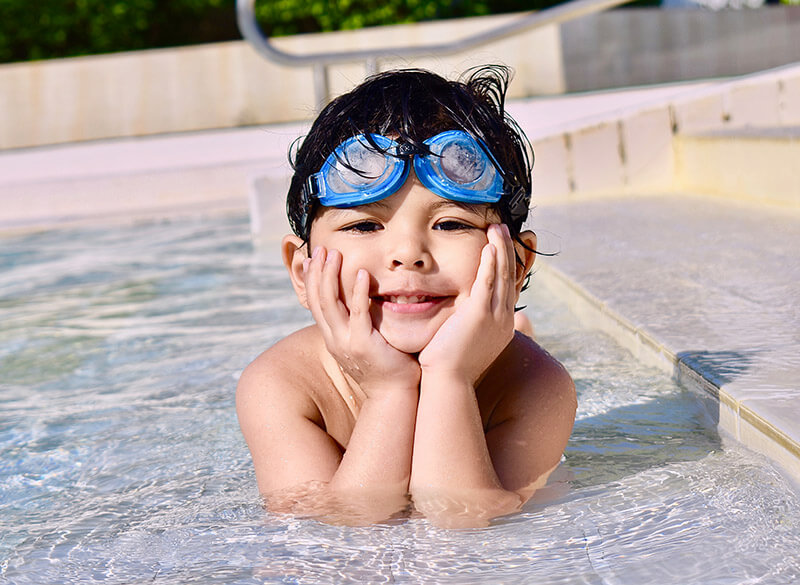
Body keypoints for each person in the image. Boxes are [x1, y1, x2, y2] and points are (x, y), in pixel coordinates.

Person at [236, 66, 576, 527]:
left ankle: (516, 328)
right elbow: (337, 532)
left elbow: (463, 521)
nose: (407, 254)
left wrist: (450, 377)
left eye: (451, 223)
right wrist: (389, 391)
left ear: (516, 264)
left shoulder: (535, 385)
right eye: (363, 225)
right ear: (302, 270)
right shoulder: (282, 384)